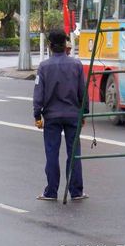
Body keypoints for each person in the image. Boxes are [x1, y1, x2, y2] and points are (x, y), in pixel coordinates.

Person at [33, 28, 89, 201]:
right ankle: (76, 191)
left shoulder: (43, 67)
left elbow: (38, 94)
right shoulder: (76, 65)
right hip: (73, 115)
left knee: (52, 153)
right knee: (74, 153)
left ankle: (51, 191)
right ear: (66, 44)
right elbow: (83, 91)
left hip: (51, 116)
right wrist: (84, 113)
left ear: (49, 46)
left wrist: (37, 115)